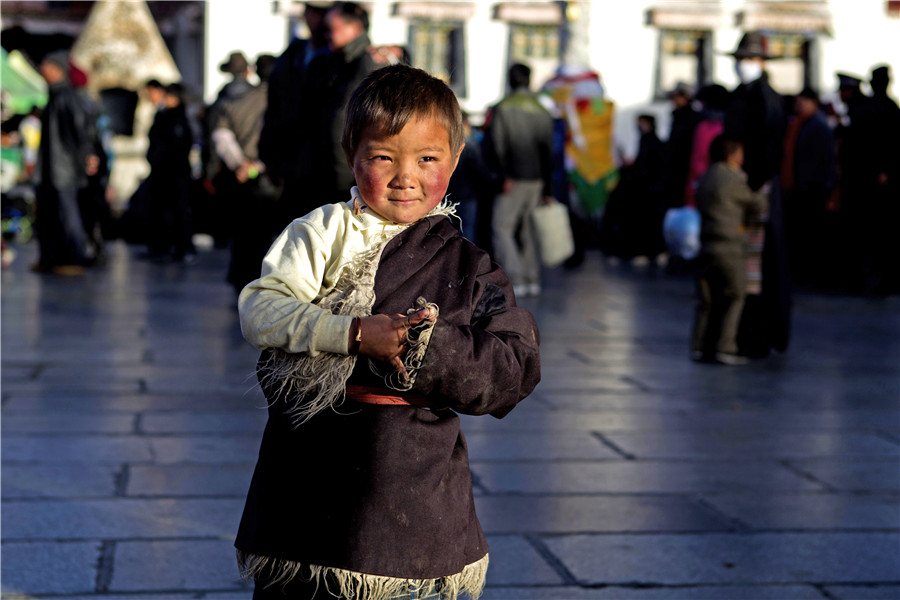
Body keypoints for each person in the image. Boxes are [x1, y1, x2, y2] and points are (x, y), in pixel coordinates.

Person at [234, 64, 541, 600]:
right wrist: (351, 332)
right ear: (351, 151)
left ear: (456, 158)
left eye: (428, 159)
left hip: (414, 486)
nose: (406, 177)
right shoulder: (322, 231)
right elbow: (261, 310)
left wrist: (428, 346)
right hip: (309, 476)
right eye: (383, 157)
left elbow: (515, 366)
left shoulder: (470, 265)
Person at [723, 31, 790, 358]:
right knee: (741, 264)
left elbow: (770, 147)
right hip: (740, 187)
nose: (743, 67)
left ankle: (758, 335)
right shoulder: (742, 95)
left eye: (748, 60)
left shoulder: (766, 97)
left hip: (757, 188)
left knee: (757, 267)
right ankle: (741, 333)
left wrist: (752, 186)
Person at [691, 135, 768, 365]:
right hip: (730, 245)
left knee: (706, 300)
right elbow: (758, 204)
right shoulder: (733, 179)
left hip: (705, 242)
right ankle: (726, 346)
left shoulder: (705, 177)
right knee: (735, 295)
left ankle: (699, 344)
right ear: (732, 154)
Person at [212, 53, 282, 296]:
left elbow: (220, 135)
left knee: (245, 234)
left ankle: (240, 281)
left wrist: (239, 164)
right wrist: (257, 165)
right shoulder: (283, 103)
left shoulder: (236, 102)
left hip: (242, 178)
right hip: (272, 177)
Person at [482, 62, 554, 297]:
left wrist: (504, 174)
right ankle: (533, 278)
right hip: (537, 178)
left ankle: (515, 277)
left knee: (501, 226)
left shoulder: (503, 108)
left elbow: (498, 145)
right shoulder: (542, 109)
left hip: (512, 178)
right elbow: (549, 150)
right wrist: (549, 185)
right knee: (529, 228)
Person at [258, 0, 331, 229]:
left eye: (321, 13)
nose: (315, 19)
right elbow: (275, 108)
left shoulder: (340, 60)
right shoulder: (293, 55)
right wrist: (268, 154)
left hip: (322, 166)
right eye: (312, 12)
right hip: (288, 160)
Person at [32, 50, 98, 276]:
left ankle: (74, 258)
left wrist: (87, 156)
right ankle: (52, 258)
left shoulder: (68, 98)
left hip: (65, 170)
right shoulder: (54, 97)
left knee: (68, 215)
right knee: (49, 215)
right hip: (51, 169)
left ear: (55, 69)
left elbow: (82, 132)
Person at [844, 65, 900, 295]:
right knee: (881, 233)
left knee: (870, 233)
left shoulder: (868, 109)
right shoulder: (888, 108)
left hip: (865, 180)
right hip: (877, 181)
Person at [782, 87, 836, 287]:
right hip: (801, 188)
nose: (798, 105)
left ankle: (812, 275)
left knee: (811, 235)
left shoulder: (817, 126)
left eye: (801, 101)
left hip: (813, 189)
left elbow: (825, 161)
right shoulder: (801, 124)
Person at [145, 83, 195, 263]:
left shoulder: (178, 118)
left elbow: (178, 145)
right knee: (164, 209)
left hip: (175, 172)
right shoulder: (164, 116)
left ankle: (183, 246)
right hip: (164, 171)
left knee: (180, 210)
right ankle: (166, 245)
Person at [663, 82, 701, 210]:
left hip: (684, 168)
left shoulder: (691, 117)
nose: (674, 100)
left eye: (677, 96)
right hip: (675, 168)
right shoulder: (677, 115)